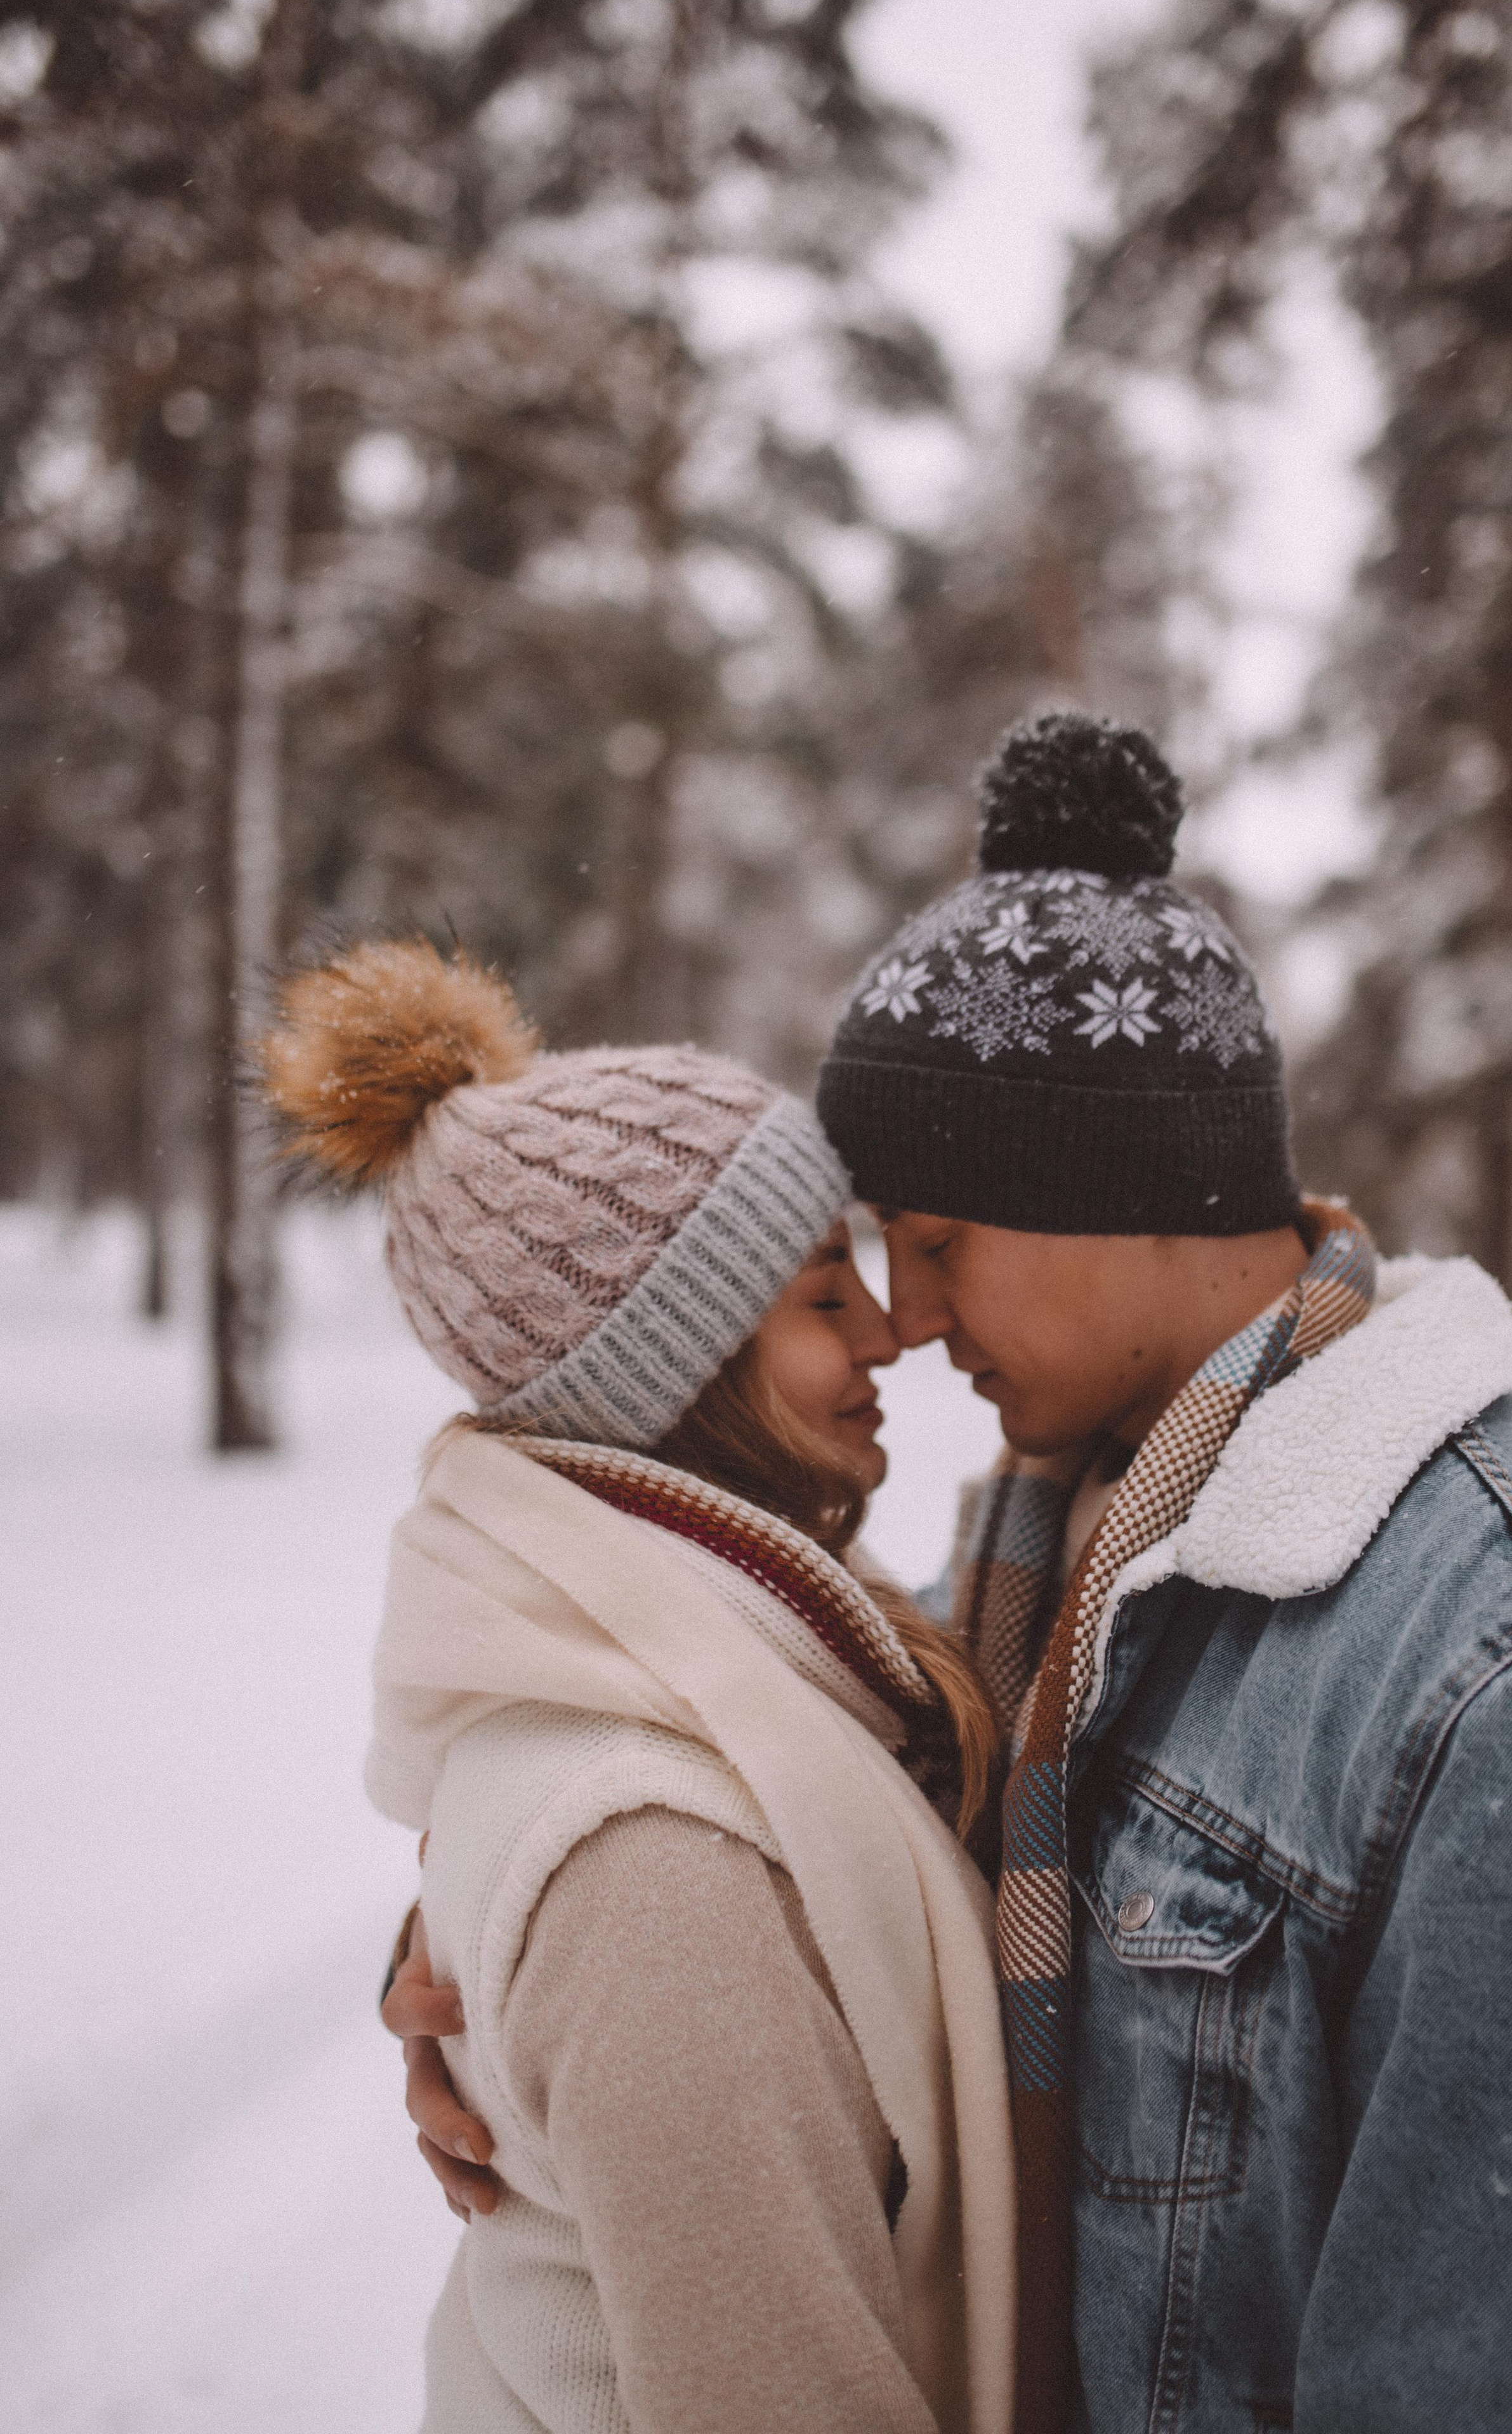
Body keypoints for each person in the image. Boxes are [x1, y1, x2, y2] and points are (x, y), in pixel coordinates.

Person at [397, 708, 1512, 2431]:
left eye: (939, 1240)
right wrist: (524, 1969)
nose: (904, 1316)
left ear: (1126, 1186)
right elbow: (807, 1811)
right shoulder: (1058, 1537)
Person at [258, 938, 1016, 2434]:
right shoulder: (656, 1860)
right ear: (672, 1375)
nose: (884, 1334)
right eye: (819, 1299)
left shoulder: (722, 1687)